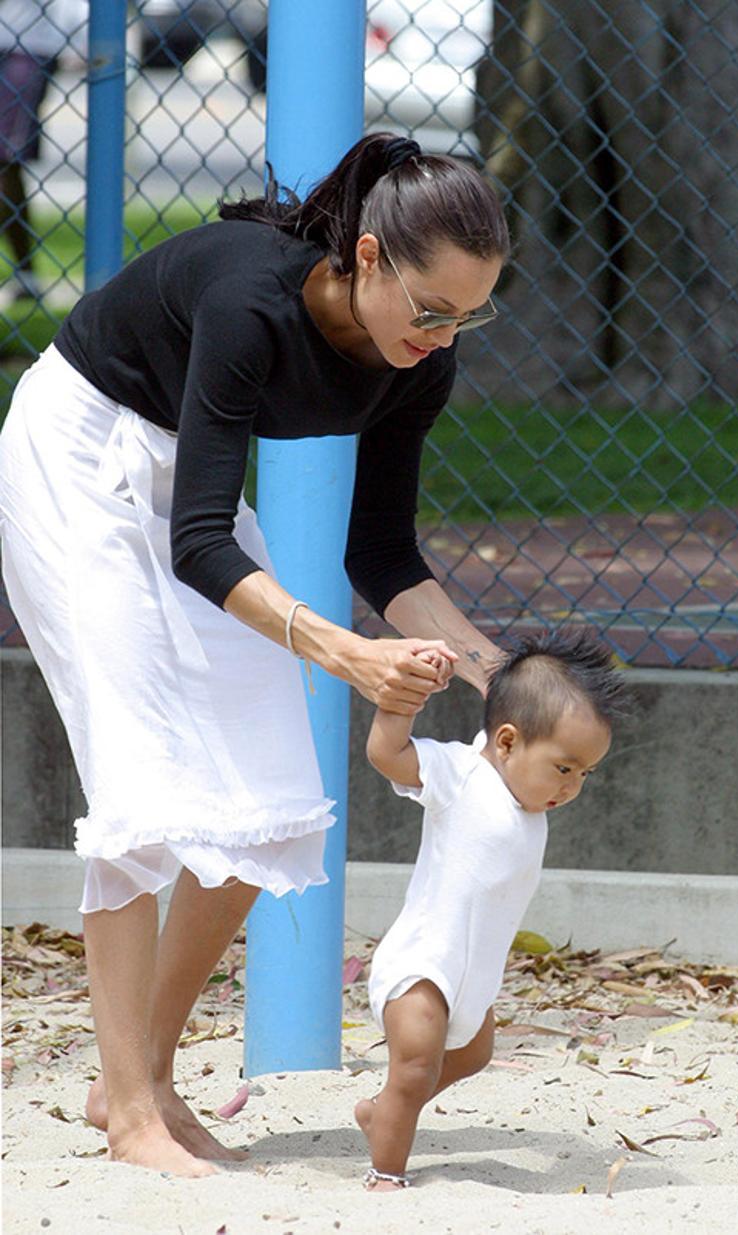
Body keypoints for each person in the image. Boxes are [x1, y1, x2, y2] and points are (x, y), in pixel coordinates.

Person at [0, 131, 510, 1177]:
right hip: (76, 455)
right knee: (138, 789)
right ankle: (132, 1112)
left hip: (180, 479)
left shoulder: (421, 358)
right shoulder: (251, 302)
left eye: (468, 315)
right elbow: (200, 544)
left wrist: (497, 672)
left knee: (267, 796)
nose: (443, 336)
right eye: (430, 309)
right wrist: (344, 652)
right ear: (366, 257)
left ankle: (138, 1077)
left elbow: (380, 549)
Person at [356, 628, 627, 1191]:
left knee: (473, 1054)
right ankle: (386, 1174)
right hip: (422, 967)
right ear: (506, 742)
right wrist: (400, 703)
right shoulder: (462, 775)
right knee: (416, 1066)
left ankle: (385, 1111)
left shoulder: (528, 805)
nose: (573, 787)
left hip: (473, 981)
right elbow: (387, 755)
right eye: (564, 768)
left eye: (586, 774)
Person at [0, 0, 87, 299]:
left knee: (5, 162)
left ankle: (26, 274)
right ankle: (26, 273)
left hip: (26, 47)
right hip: (15, 43)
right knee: (7, 169)